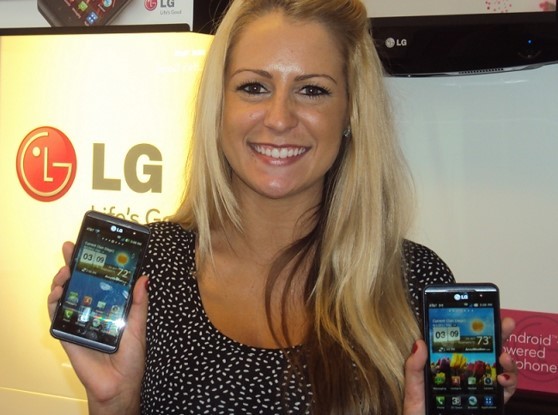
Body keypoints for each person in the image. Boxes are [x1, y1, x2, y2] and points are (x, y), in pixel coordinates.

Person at [48, 0, 518, 413]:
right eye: (254, 87)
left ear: (351, 112)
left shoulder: (414, 282)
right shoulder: (151, 270)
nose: (278, 119)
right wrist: (114, 403)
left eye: (312, 90)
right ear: (219, 106)